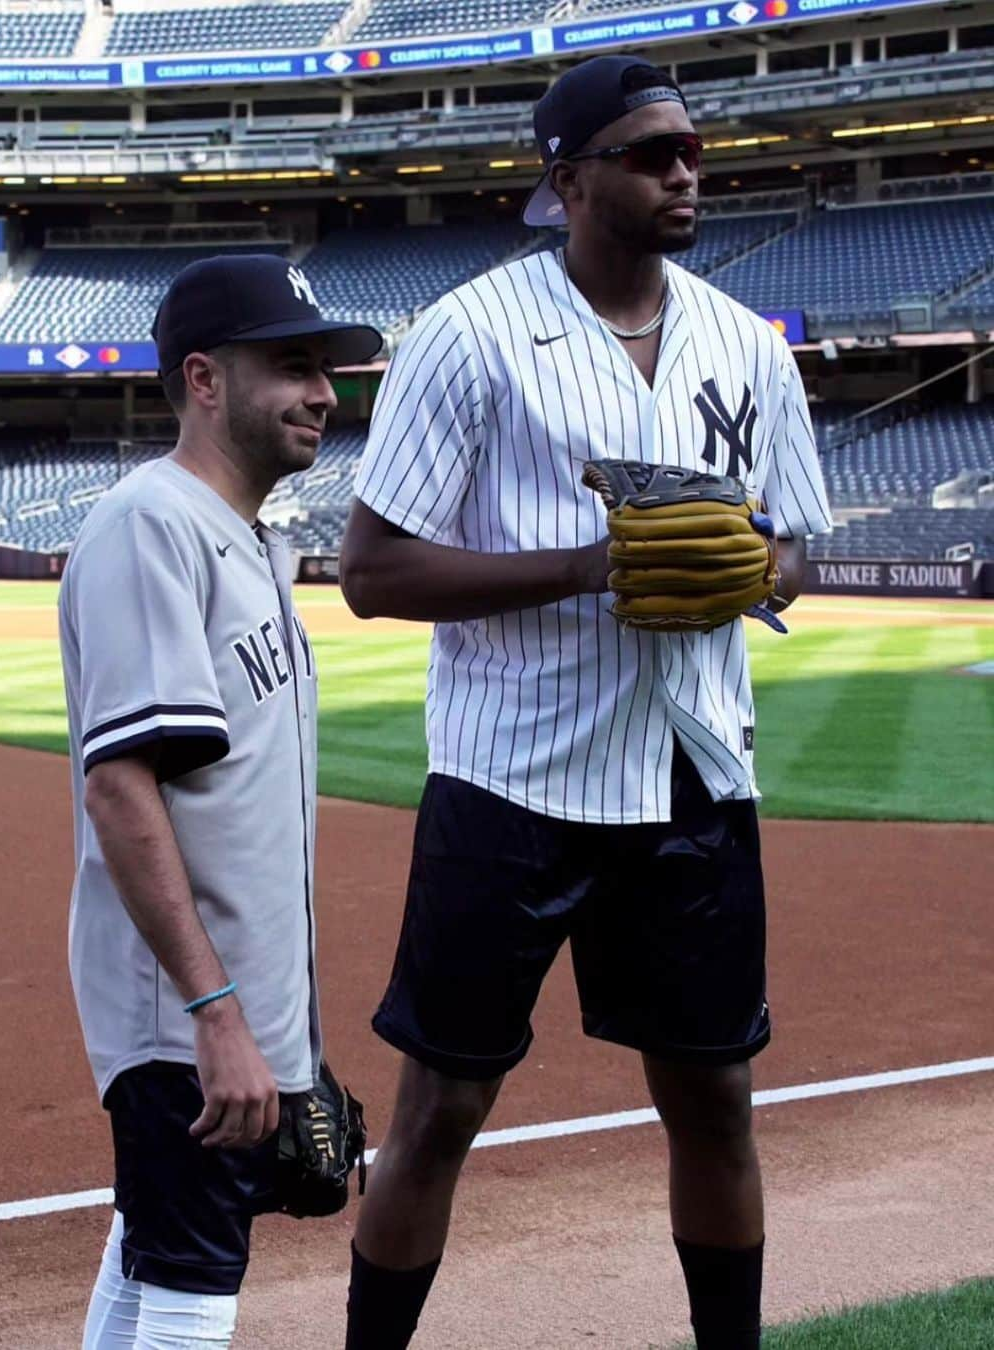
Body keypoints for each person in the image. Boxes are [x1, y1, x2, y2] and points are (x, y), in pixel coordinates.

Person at [338, 55, 832, 1350]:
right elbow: (372, 570)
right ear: (566, 179)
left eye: (692, 151)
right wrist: (595, 564)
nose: (685, 170)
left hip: (692, 772)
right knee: (440, 1107)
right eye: (650, 152)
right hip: (512, 782)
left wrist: (752, 565)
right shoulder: (470, 333)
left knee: (715, 1095)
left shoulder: (745, 344)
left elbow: (798, 551)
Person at [59, 254, 381, 1348]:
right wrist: (217, 1017)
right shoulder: (153, 524)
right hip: (178, 1016)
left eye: (325, 370)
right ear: (204, 379)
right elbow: (120, 786)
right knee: (195, 1288)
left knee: (151, 1256)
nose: (324, 394)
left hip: (221, 1008)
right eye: (292, 366)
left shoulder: (245, 541)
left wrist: (283, 1027)